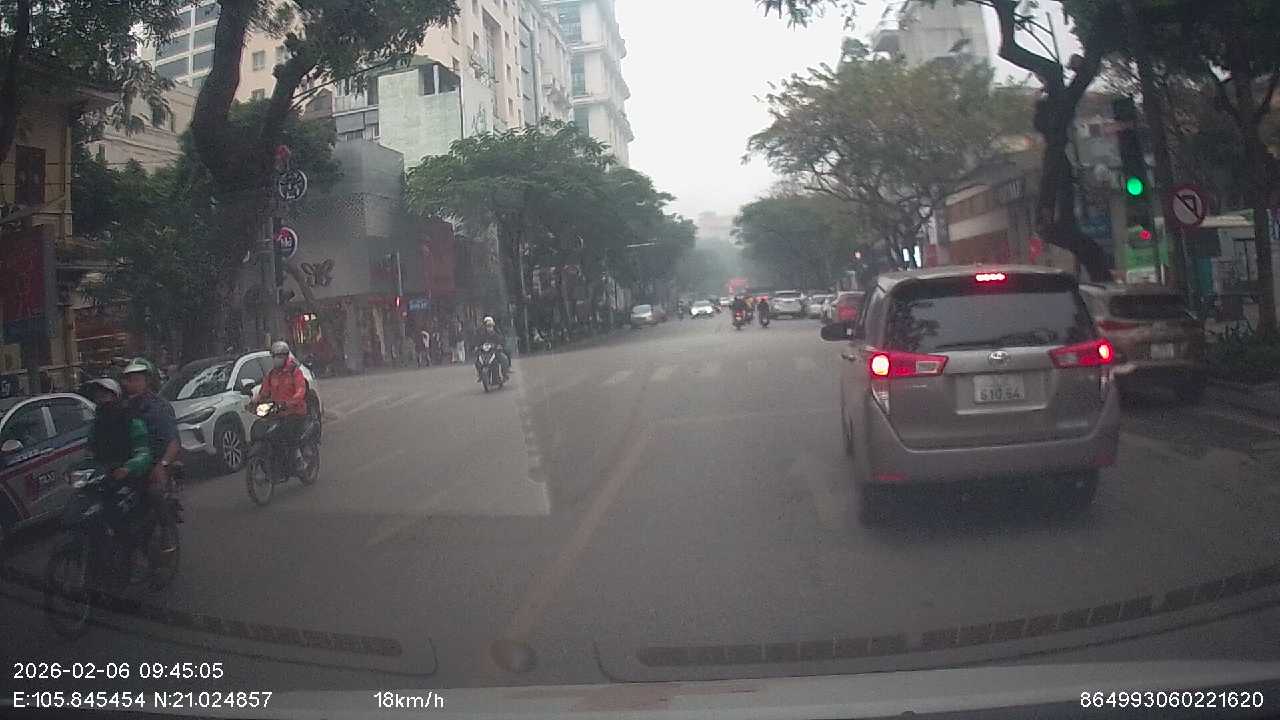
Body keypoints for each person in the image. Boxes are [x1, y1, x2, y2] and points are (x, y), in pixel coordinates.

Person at [249, 341, 310, 468]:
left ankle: (298, 458)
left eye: (280, 356)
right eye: (275, 356)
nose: (277, 359)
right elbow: (264, 392)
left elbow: (300, 390)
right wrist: (254, 402)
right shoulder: (271, 375)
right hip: (276, 412)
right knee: (262, 428)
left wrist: (290, 402)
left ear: (286, 356)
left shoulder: (295, 372)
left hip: (295, 412)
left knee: (289, 432)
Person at [473, 316, 510, 382]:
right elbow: (478, 342)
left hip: (495, 352)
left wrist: (499, 346)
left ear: (493, 326)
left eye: (490, 326)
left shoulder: (497, 333)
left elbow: (501, 340)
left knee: (504, 359)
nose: (489, 328)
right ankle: (480, 375)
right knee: (477, 361)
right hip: (484, 353)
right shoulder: (482, 334)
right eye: (487, 326)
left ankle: (505, 375)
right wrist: (477, 347)